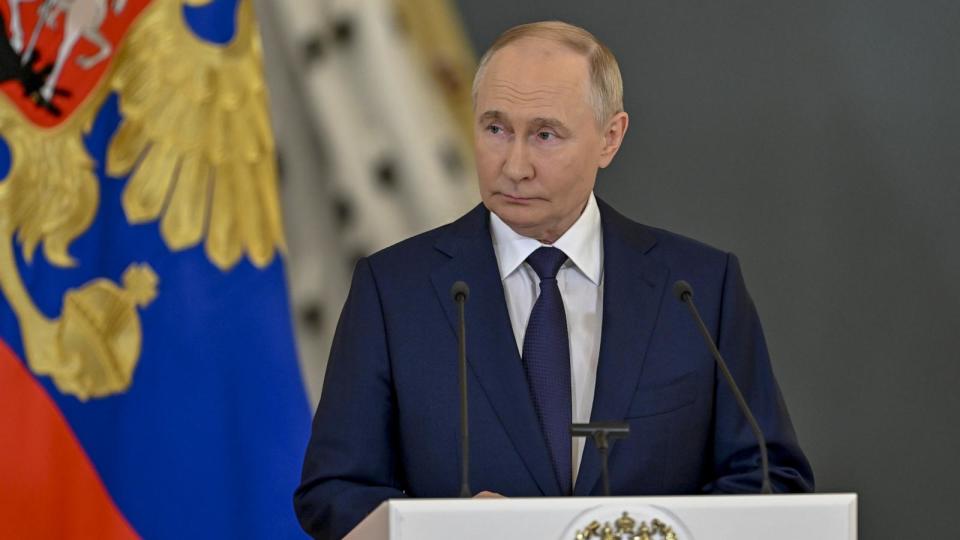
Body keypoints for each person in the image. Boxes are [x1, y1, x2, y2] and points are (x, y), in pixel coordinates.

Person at [294, 21, 814, 539]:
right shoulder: (394, 290)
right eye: (495, 129)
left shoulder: (699, 289)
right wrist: (441, 529)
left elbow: (772, 480)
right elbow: (333, 492)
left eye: (544, 134)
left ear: (610, 138)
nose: (514, 165)